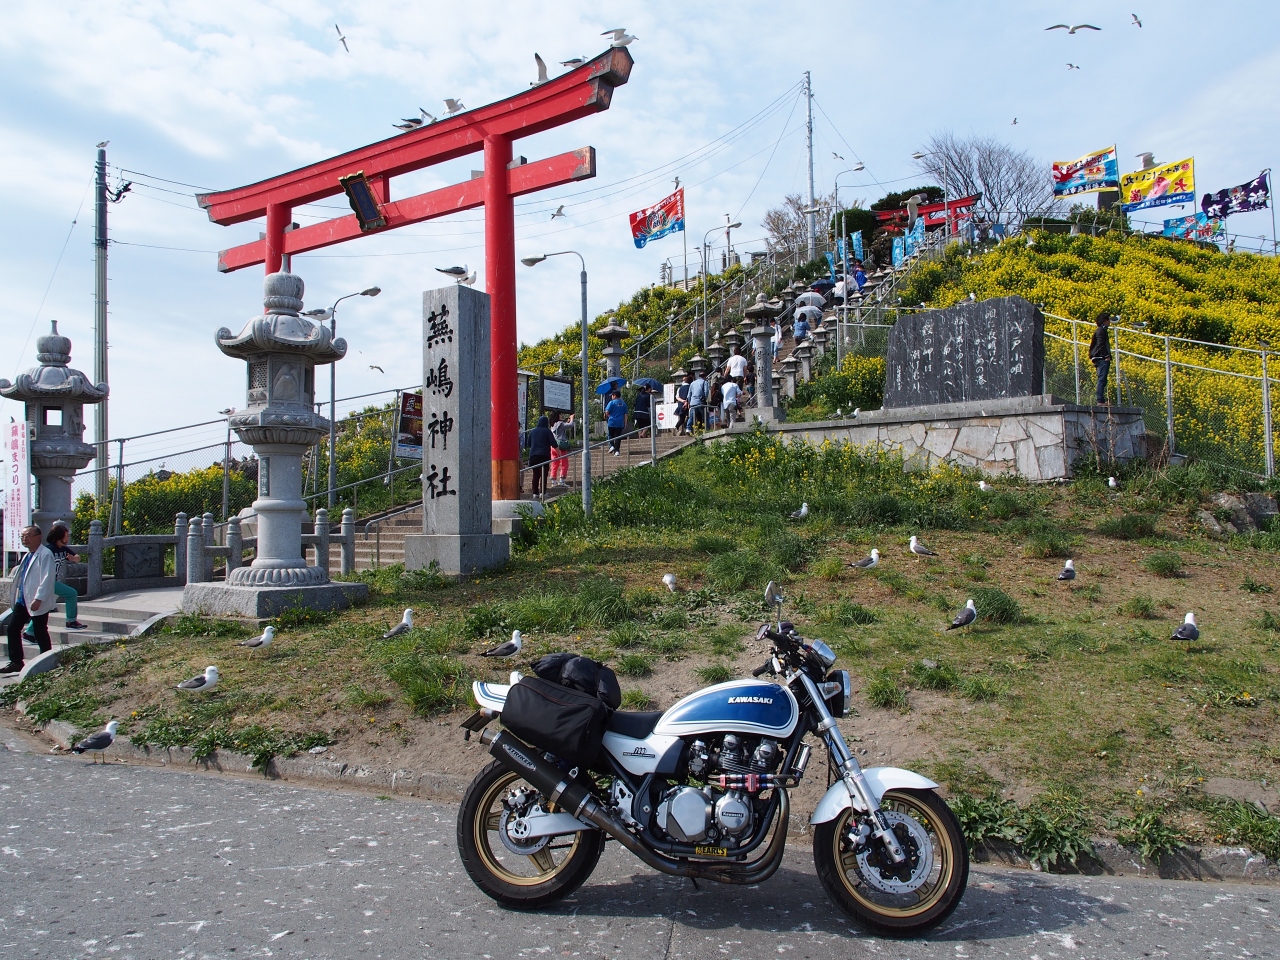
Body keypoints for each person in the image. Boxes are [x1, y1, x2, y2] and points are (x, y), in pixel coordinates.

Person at [3, 525, 55, 674]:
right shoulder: (28, 555)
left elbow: (47, 578)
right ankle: (16, 661)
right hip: (24, 599)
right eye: (22, 536)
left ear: (38, 537)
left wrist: (39, 598)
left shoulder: (45, 554)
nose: (24, 539)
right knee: (13, 628)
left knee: (40, 631)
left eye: (28, 536)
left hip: (36, 600)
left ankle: (47, 660)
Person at [23, 525, 84, 637]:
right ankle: (71, 621)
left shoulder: (63, 550)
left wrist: (74, 558)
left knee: (44, 608)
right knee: (71, 593)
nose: (67, 539)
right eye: (65, 536)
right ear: (58, 536)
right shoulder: (48, 550)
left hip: (51, 582)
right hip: (45, 582)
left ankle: (29, 632)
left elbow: (78, 557)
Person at [526, 414, 559, 497]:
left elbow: (528, 443)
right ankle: (543, 492)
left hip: (534, 455)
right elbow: (553, 443)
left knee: (535, 474)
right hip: (544, 455)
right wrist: (559, 452)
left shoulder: (533, 431)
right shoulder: (547, 431)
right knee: (543, 474)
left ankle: (535, 493)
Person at [1089, 312, 1112, 405]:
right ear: (1104, 321)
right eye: (1108, 320)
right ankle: (1100, 400)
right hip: (1101, 358)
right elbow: (1100, 345)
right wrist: (1106, 356)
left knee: (1102, 379)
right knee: (1102, 379)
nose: (1109, 322)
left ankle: (1101, 399)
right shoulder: (1101, 331)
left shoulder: (1101, 330)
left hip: (1099, 357)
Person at [549, 413, 572, 484]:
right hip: (560, 446)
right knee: (564, 463)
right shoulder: (561, 424)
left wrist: (567, 422)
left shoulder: (552, 425)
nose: (562, 416)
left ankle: (553, 480)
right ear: (557, 416)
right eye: (560, 415)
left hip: (553, 446)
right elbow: (571, 425)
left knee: (554, 463)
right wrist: (572, 418)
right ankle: (562, 479)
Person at [605, 390, 628, 454]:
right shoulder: (623, 404)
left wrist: (608, 416)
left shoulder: (611, 403)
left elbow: (606, 412)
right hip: (620, 423)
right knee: (618, 437)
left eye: (612, 395)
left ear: (614, 395)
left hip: (612, 422)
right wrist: (625, 423)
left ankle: (611, 446)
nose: (611, 397)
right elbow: (625, 415)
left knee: (610, 435)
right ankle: (617, 451)